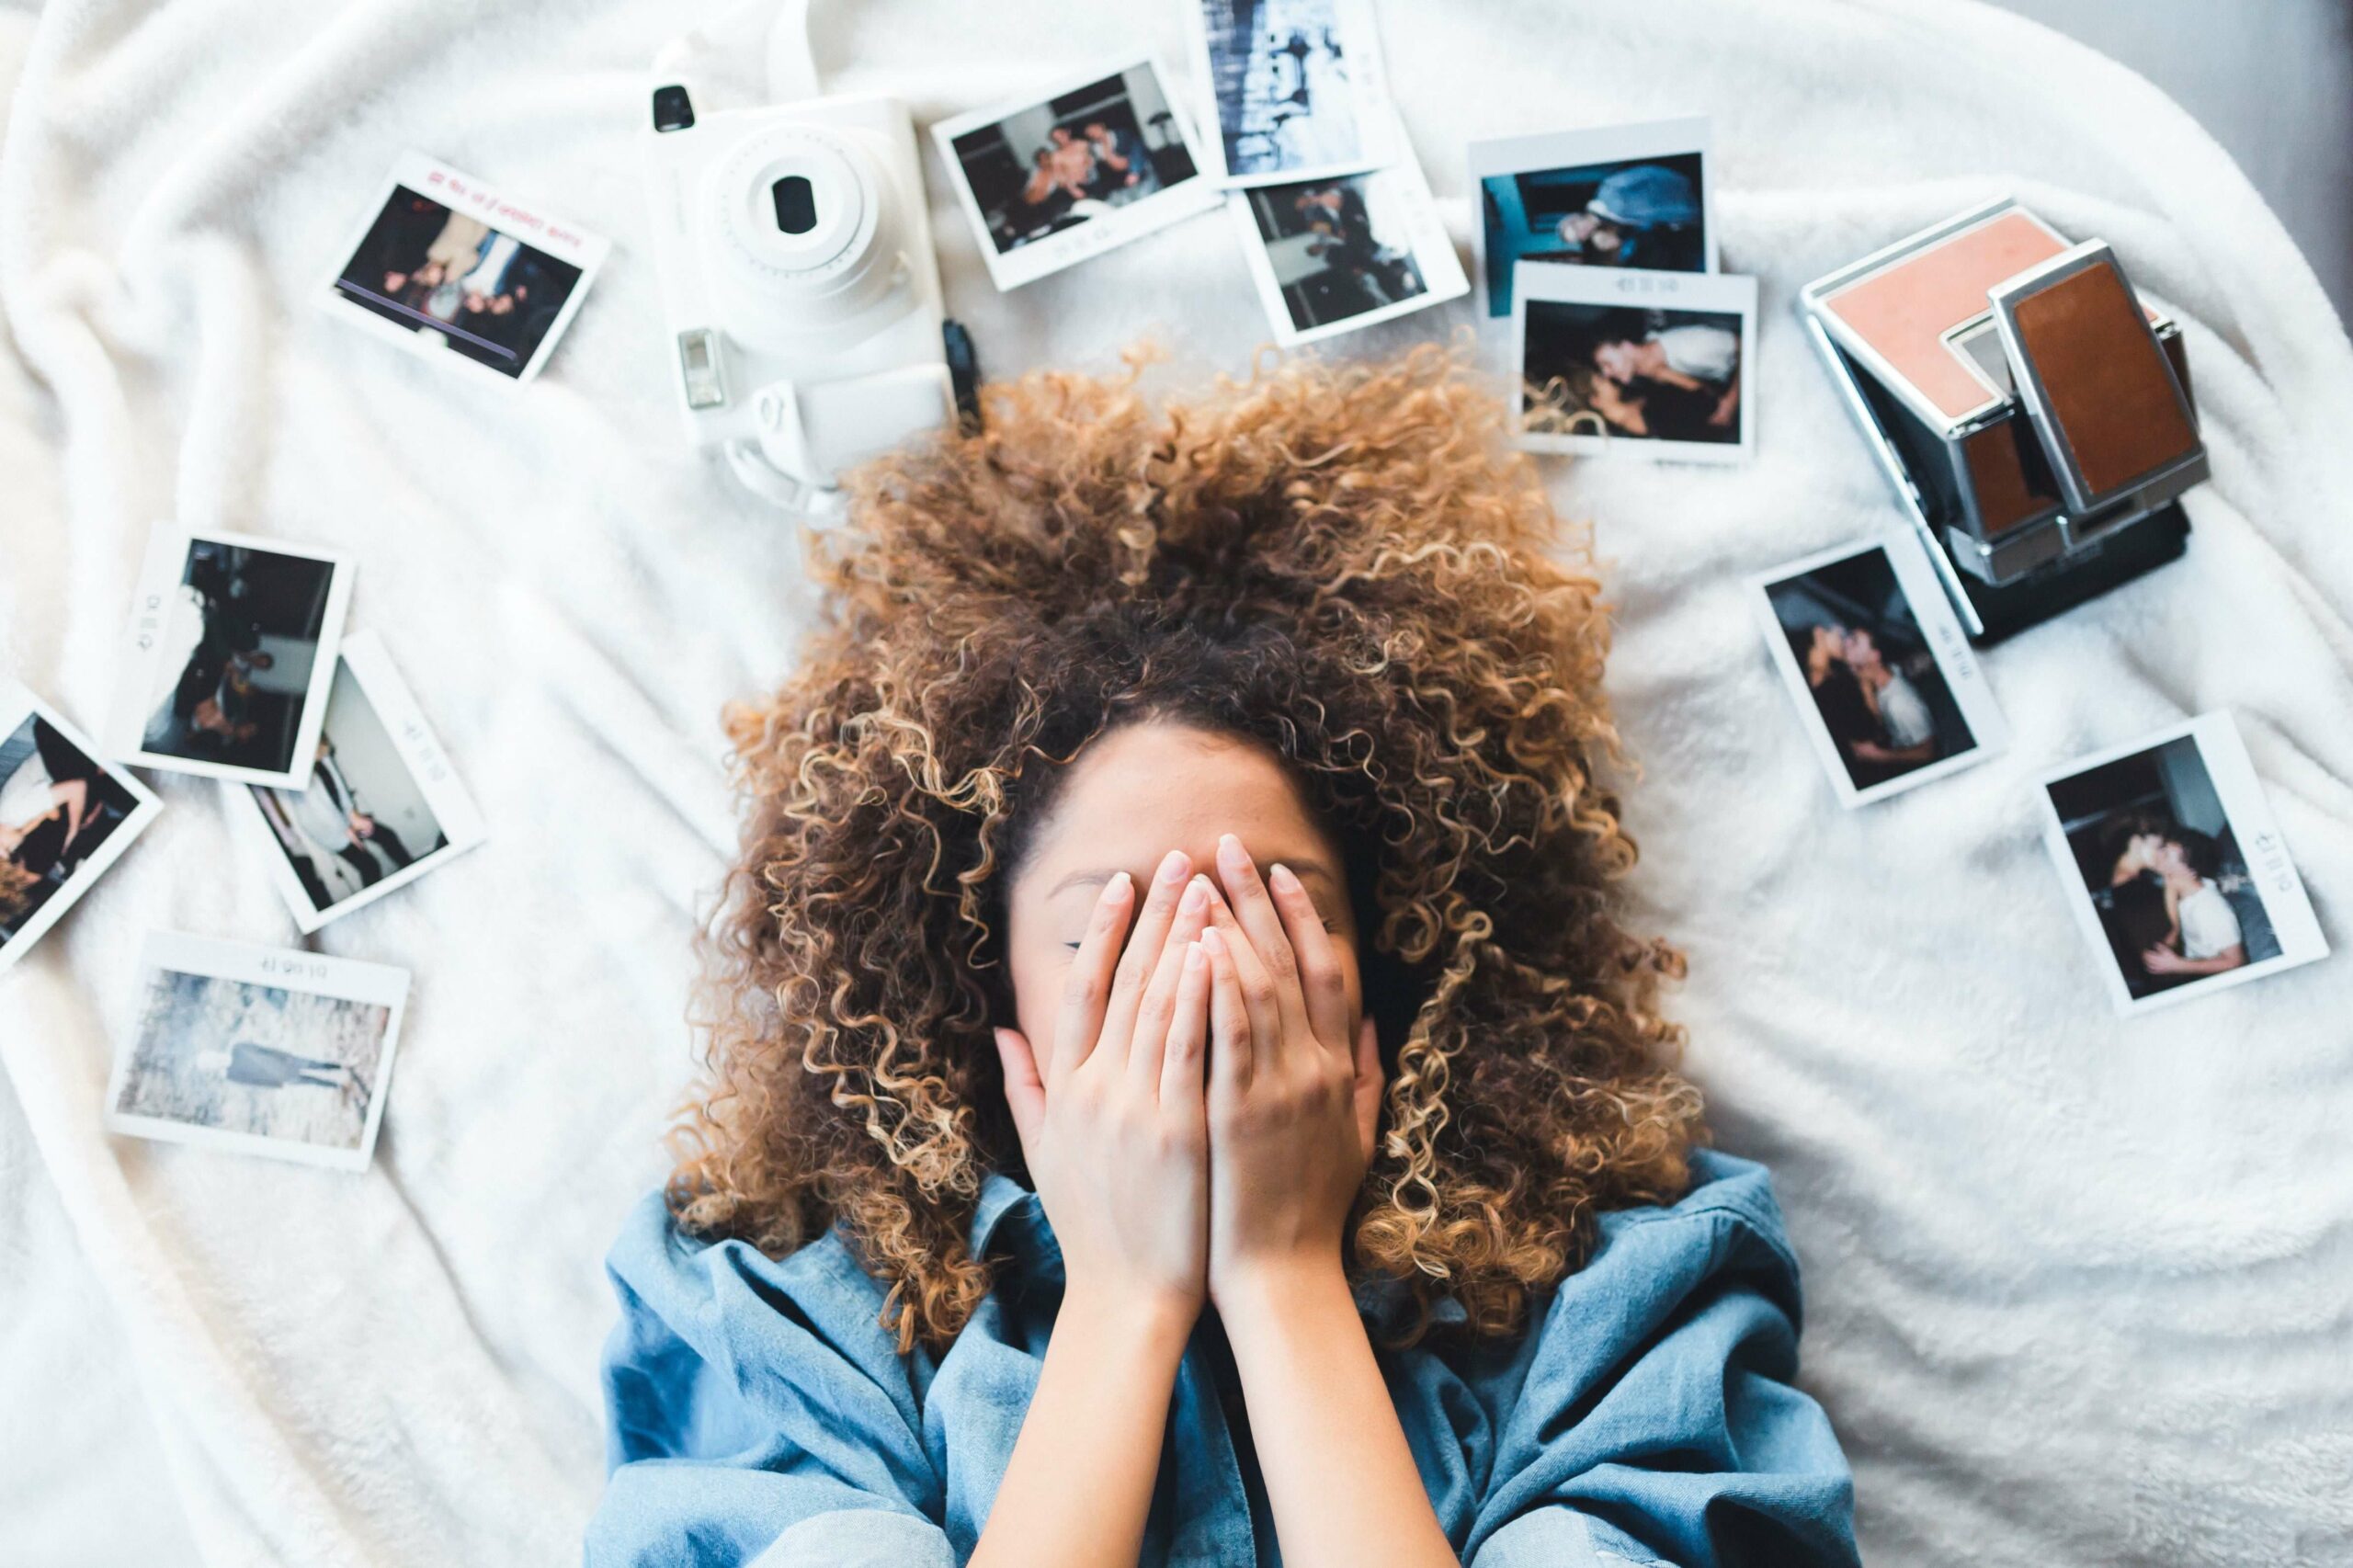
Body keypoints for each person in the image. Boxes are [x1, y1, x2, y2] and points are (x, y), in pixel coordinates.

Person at [588, 349, 1859, 1566]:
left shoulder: (1633, 1285)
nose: (1198, 976)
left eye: (1269, 911)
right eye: (1111, 929)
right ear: (988, 983)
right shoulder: (782, 1295)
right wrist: (1121, 1298)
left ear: (1388, 954)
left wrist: (1285, 1276)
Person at [1592, 319, 1741, 433]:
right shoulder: (1644, 376)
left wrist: (1732, 400)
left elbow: (1745, 344)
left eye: (1608, 363)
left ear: (1627, 347)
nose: (1606, 373)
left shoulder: (1691, 348)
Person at [1552, 164, 1702, 272]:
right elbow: (1645, 224)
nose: (1582, 233)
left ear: (1576, 218)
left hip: (1685, 190)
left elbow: (1648, 173)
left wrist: (1682, 183)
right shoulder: (1609, 225)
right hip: (1685, 213)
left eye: (1576, 228)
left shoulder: (1608, 189)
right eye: (1579, 237)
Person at [192, 1042, 358, 1094]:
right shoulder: (231, 1074)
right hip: (281, 1075)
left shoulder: (237, 1048)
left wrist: (284, 1054)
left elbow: (263, 1049)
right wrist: (276, 1084)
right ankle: (339, 1085)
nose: (215, 1061)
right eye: (210, 1063)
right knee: (312, 1080)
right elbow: (254, 1082)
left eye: (211, 1058)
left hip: (286, 1062)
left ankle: (343, 1067)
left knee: (315, 1065)